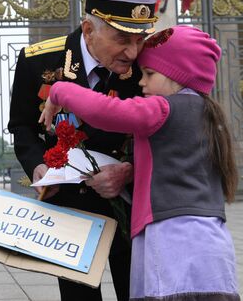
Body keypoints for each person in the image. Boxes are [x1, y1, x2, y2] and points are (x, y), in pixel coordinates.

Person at [41, 25, 240, 301]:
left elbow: (106, 111)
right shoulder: (208, 112)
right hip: (210, 243)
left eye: (149, 74)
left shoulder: (164, 109)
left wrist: (59, 91)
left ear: (177, 75)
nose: (141, 82)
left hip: (171, 239)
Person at [8, 0, 173, 301]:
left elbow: (166, 129)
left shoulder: (148, 66)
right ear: (88, 30)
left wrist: (128, 170)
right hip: (71, 207)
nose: (133, 52)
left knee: (138, 291)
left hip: (131, 206)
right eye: (122, 39)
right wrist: (38, 165)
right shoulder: (38, 61)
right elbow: (22, 126)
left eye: (139, 40)